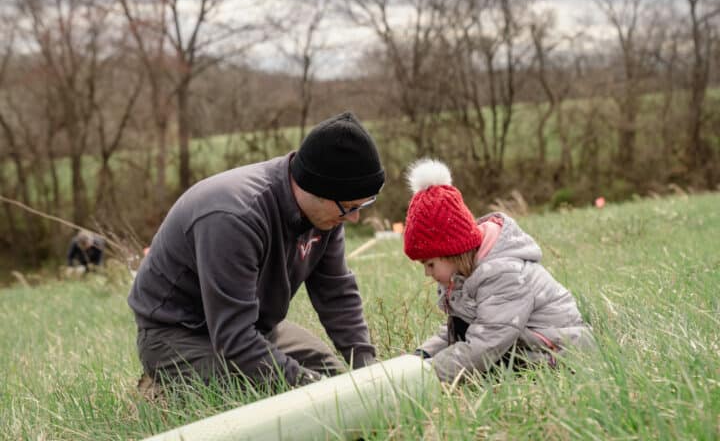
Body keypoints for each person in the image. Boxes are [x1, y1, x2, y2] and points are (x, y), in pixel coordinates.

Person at [128, 112, 384, 390]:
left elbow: (336, 293)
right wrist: (306, 385)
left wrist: (366, 368)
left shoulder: (328, 214)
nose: (355, 218)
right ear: (317, 189)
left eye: (362, 205)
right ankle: (160, 389)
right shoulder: (234, 217)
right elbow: (233, 337)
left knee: (337, 381)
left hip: (254, 328)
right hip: (177, 334)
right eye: (351, 207)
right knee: (266, 396)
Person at [403, 159, 593, 383]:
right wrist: (424, 354)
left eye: (430, 264)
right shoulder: (464, 276)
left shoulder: (503, 275)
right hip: (520, 347)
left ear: (452, 251)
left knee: (487, 367)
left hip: (559, 352)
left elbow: (487, 342)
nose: (427, 273)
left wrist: (428, 375)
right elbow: (463, 327)